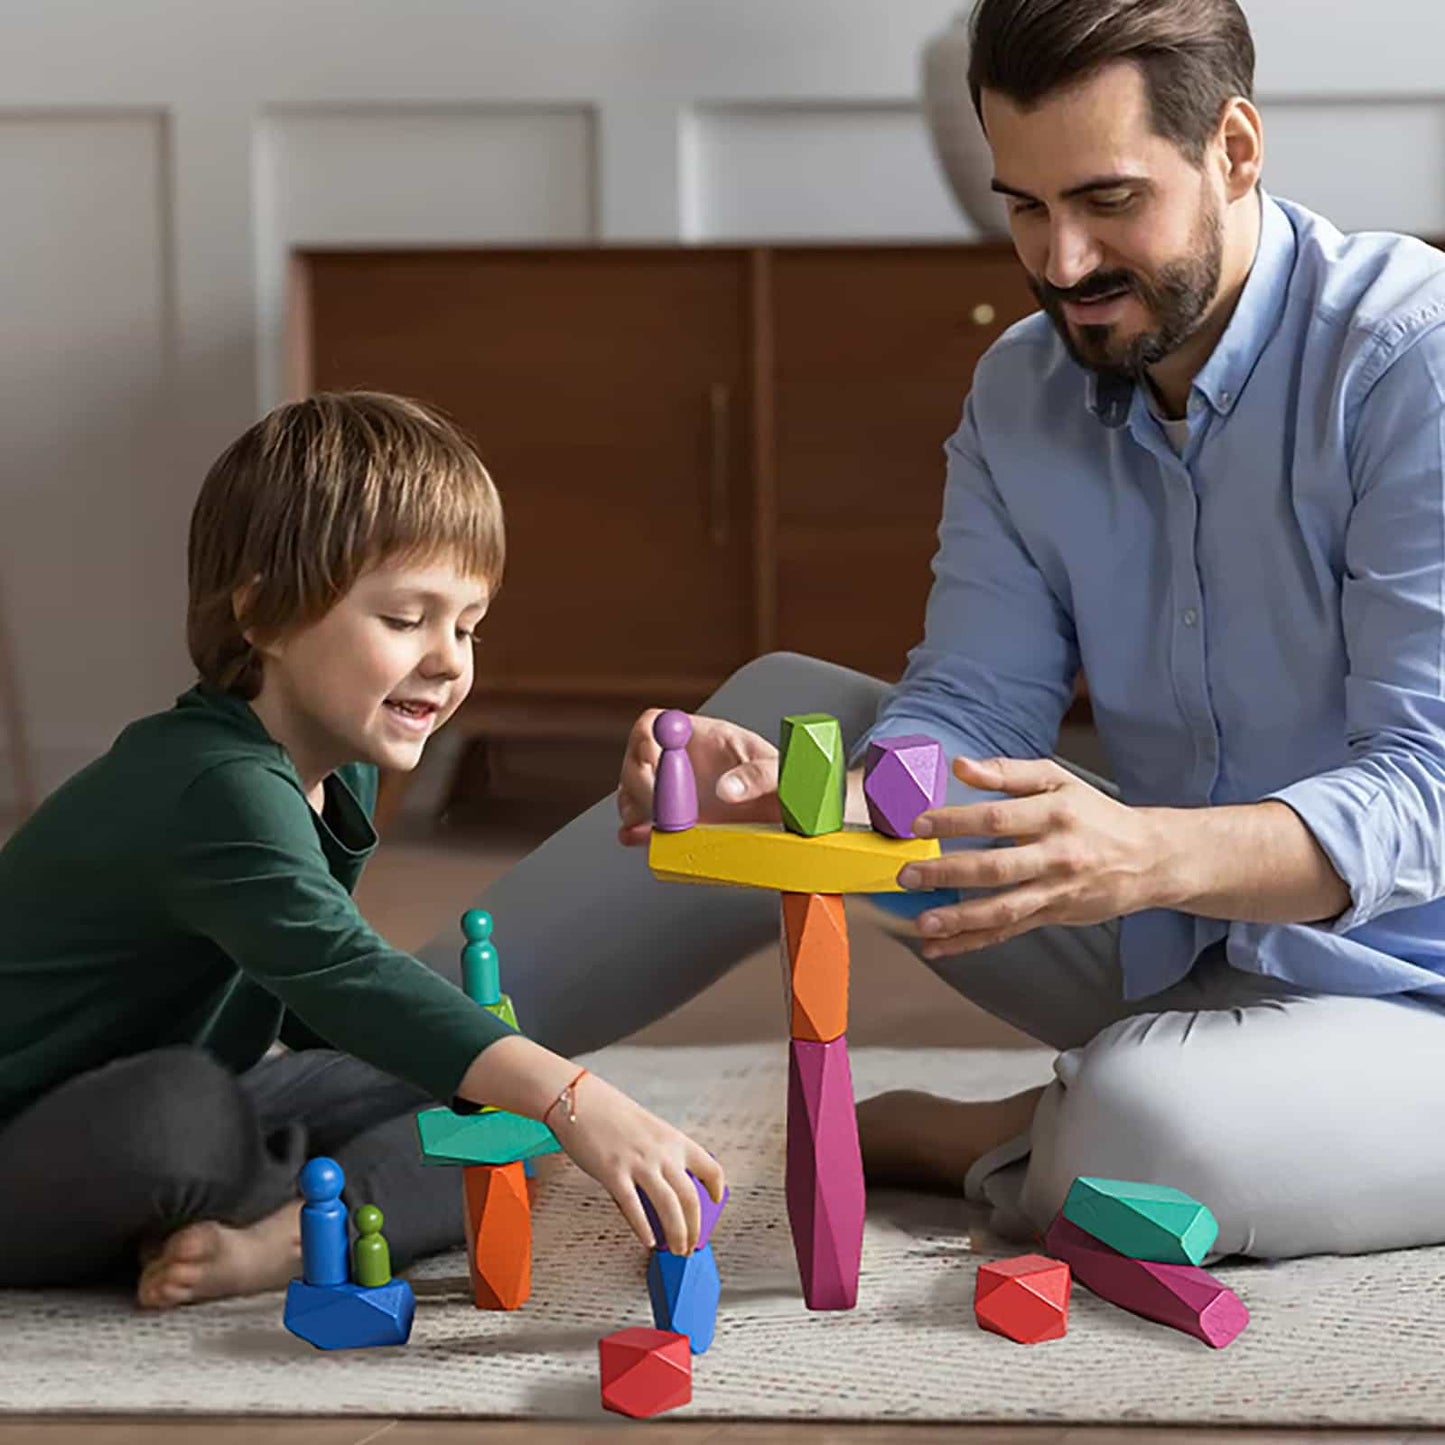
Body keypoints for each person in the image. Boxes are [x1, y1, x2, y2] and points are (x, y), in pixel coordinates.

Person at [435, 0, 1445, 1263]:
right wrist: (818, 803)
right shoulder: (1025, 386)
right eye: (1023, 204)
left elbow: (1431, 789)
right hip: (1166, 930)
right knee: (764, 719)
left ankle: (1013, 1126)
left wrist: (1152, 853)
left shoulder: (1408, 357)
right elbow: (970, 705)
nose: (1060, 259)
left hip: (1408, 992)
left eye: (1106, 199)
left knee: (1153, 1123)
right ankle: (329, 1080)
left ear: (1234, 149)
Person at [0, 392, 722, 1306]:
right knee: (182, 1112)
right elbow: (338, 969)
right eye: (405, 618)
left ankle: (287, 1239)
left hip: (182, 1093)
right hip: (47, 1126)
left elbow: (318, 1011)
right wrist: (572, 1095)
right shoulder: (211, 782)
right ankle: (283, 1198)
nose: (449, 659)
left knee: (491, 1103)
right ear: (260, 616)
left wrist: (525, 1089)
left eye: (466, 625)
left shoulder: (341, 769)